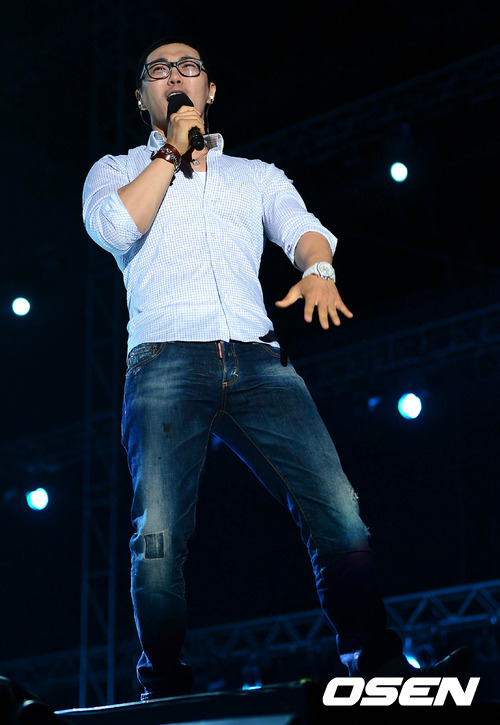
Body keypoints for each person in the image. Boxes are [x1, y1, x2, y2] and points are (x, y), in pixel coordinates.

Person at [82, 36, 471, 701]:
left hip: (259, 360)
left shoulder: (254, 175)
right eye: (159, 70)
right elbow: (116, 228)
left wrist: (319, 269)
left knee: (339, 512)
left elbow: (302, 226)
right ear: (144, 97)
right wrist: (171, 151)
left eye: (188, 67)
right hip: (164, 360)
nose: (175, 76)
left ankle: (375, 662)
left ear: (209, 89)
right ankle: (164, 683)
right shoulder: (116, 169)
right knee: (160, 533)